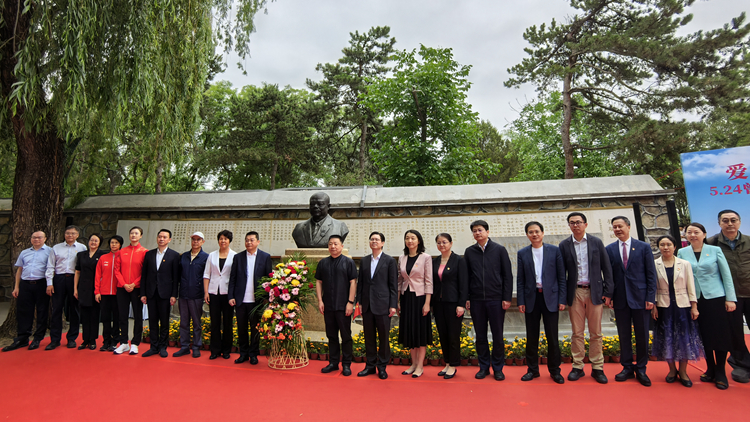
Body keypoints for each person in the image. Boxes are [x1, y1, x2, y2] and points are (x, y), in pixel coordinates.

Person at [678, 222, 737, 390]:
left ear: (704, 234)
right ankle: (710, 368)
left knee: (719, 335)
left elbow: (726, 275)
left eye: (696, 232)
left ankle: (720, 371)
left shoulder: (715, 250)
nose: (692, 235)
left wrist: (730, 298)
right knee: (703, 336)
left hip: (716, 298)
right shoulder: (682, 252)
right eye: (689, 232)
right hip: (694, 299)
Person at [558, 211, 613, 384]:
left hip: (594, 291)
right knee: (577, 332)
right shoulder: (564, 245)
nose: (576, 225)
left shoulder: (596, 242)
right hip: (575, 292)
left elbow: (607, 268)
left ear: (585, 224)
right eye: (572, 222)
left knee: (596, 332)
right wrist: (563, 296)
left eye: (579, 222)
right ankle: (578, 366)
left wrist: (608, 292)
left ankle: (597, 367)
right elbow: (561, 273)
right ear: (569, 225)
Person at [605, 216, 657, 387]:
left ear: (628, 226)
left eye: (620, 226)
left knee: (642, 335)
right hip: (620, 299)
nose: (617, 229)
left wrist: (651, 297)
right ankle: (627, 367)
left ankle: (641, 368)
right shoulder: (610, 249)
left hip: (641, 299)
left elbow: (651, 274)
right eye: (614, 227)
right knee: (624, 334)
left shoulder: (643, 247)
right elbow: (609, 276)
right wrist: (609, 296)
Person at [516, 221, 566, 384]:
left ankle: (555, 371)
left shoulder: (554, 251)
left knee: (552, 337)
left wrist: (561, 299)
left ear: (543, 233)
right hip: (532, 299)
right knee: (532, 337)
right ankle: (532, 370)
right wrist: (521, 300)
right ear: (527, 235)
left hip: (550, 299)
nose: (534, 234)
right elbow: (521, 280)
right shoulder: (523, 253)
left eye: (537, 231)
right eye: (531, 232)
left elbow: (561, 278)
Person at [651, 235, 703, 387]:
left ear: (675, 247)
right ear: (658, 247)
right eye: (662, 244)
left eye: (668, 244)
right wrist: (653, 306)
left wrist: (694, 306)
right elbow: (652, 288)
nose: (665, 247)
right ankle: (672, 370)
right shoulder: (655, 264)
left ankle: (684, 371)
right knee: (666, 338)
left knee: (683, 339)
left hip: (682, 306)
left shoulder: (684, 264)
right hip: (663, 306)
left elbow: (690, 286)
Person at [464, 220, 513, 381]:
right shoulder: (469, 252)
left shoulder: (499, 250)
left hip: (496, 299)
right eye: (474, 231)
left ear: (487, 231)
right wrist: (468, 298)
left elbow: (507, 275)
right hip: (477, 300)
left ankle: (498, 368)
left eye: (480, 230)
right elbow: (467, 278)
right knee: (480, 336)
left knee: (498, 335)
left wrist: (506, 297)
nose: (477, 233)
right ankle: (483, 366)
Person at [707, 209, 750, 383]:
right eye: (725, 220)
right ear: (719, 223)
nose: (730, 224)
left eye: (733, 220)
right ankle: (742, 365)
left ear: (739, 222)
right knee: (735, 332)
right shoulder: (711, 243)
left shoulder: (749, 241)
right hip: (728, 296)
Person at [356, 231, 398, 380]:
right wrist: (359, 302)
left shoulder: (389, 261)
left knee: (384, 338)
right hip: (367, 305)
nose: (374, 241)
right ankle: (370, 365)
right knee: (369, 337)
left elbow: (393, 285)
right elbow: (360, 283)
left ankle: (382, 366)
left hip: (383, 305)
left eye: (377, 239)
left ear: (382, 243)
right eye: (372, 239)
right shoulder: (365, 260)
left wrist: (393, 305)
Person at [2, 231, 52, 352]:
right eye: (34, 237)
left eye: (39, 237)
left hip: (41, 284)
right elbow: (20, 269)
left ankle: (37, 338)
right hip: (25, 284)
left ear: (45, 239)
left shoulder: (50, 251)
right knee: (23, 312)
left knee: (41, 311)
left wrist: (50, 285)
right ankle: (22, 338)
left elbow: (52, 269)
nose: (36, 239)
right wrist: (16, 287)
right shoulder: (25, 252)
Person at [315, 235, 358, 376]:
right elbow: (318, 282)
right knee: (331, 335)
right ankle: (333, 363)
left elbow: (353, 282)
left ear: (341, 246)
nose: (333, 246)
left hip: (343, 306)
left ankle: (346, 364)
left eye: (335, 244)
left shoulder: (348, 262)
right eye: (330, 244)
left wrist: (350, 302)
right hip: (328, 306)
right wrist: (320, 301)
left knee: (346, 336)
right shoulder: (323, 263)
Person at [228, 231, 273, 365]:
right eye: (247, 240)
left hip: (257, 301)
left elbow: (268, 279)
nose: (249, 242)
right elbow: (233, 278)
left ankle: (253, 354)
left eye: (252, 240)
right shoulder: (238, 257)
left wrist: (266, 298)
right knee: (241, 329)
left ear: (258, 242)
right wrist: (231, 296)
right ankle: (243, 354)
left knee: (255, 329)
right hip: (241, 300)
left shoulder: (265, 257)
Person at [397, 229, 433, 378]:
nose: (410, 241)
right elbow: (400, 281)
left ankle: (420, 366)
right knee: (409, 332)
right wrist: (397, 301)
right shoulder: (402, 257)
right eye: (407, 238)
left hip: (420, 298)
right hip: (406, 297)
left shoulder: (426, 257)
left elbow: (429, 281)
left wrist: (427, 303)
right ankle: (412, 364)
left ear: (419, 241)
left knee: (420, 332)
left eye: (413, 238)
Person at [431, 233, 468, 380]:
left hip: (453, 303)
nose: (442, 245)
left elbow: (464, 284)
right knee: (443, 334)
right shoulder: (435, 261)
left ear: (451, 243)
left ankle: (453, 364)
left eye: (444, 242)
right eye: (439, 243)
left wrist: (461, 304)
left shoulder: (459, 260)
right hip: (438, 304)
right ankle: (447, 363)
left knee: (453, 335)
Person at [45, 225, 87, 350]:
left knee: (74, 309)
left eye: (73, 233)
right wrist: (49, 283)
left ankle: (72, 338)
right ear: (64, 234)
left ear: (77, 235)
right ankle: (55, 339)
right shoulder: (56, 248)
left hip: (74, 279)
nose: (70, 235)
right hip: (59, 279)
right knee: (57, 309)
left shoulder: (82, 248)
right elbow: (50, 266)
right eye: (68, 233)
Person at [140, 229, 181, 358]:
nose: (161, 239)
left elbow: (176, 277)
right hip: (151, 293)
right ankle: (153, 346)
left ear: (169, 239)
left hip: (165, 294)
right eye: (159, 236)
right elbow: (144, 275)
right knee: (152, 321)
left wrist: (174, 295)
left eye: (164, 237)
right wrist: (143, 293)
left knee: (164, 322)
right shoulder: (149, 254)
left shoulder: (174, 255)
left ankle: (163, 347)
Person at [113, 226, 148, 356]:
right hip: (122, 288)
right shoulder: (121, 252)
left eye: (136, 233)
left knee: (138, 316)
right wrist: (124, 284)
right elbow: (116, 270)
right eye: (131, 233)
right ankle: (123, 343)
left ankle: (135, 343)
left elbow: (145, 272)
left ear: (140, 236)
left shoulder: (145, 252)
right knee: (122, 315)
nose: (133, 235)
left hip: (137, 288)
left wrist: (134, 284)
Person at [203, 230, 237, 360]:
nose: (223, 241)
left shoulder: (235, 256)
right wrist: (206, 292)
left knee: (228, 323)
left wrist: (233, 295)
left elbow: (234, 277)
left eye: (226, 239)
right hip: (213, 292)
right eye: (221, 238)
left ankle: (226, 350)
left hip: (228, 294)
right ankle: (215, 350)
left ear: (230, 241)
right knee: (215, 322)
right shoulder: (212, 255)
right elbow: (207, 275)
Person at [174, 232, 209, 358]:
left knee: (196, 323)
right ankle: (184, 347)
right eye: (193, 239)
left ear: (203, 242)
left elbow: (207, 277)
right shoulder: (184, 256)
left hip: (197, 295)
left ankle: (196, 346)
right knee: (183, 322)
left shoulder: (206, 257)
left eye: (198, 240)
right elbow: (178, 275)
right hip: (183, 294)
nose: (195, 242)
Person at [73, 234, 105, 350]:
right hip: (83, 288)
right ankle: (84, 339)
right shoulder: (81, 255)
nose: (93, 242)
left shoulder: (102, 255)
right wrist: (75, 289)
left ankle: (92, 340)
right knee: (84, 315)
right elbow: (77, 272)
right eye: (91, 240)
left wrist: (100, 290)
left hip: (96, 289)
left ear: (99, 243)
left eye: (96, 241)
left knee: (94, 315)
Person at [95, 236, 125, 352]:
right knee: (106, 319)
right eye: (112, 242)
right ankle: (106, 341)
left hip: (118, 293)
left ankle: (114, 341)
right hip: (105, 293)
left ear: (120, 244)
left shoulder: (123, 257)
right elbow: (98, 275)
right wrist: (97, 291)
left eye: (116, 243)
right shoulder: (103, 258)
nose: (113, 245)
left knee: (117, 319)